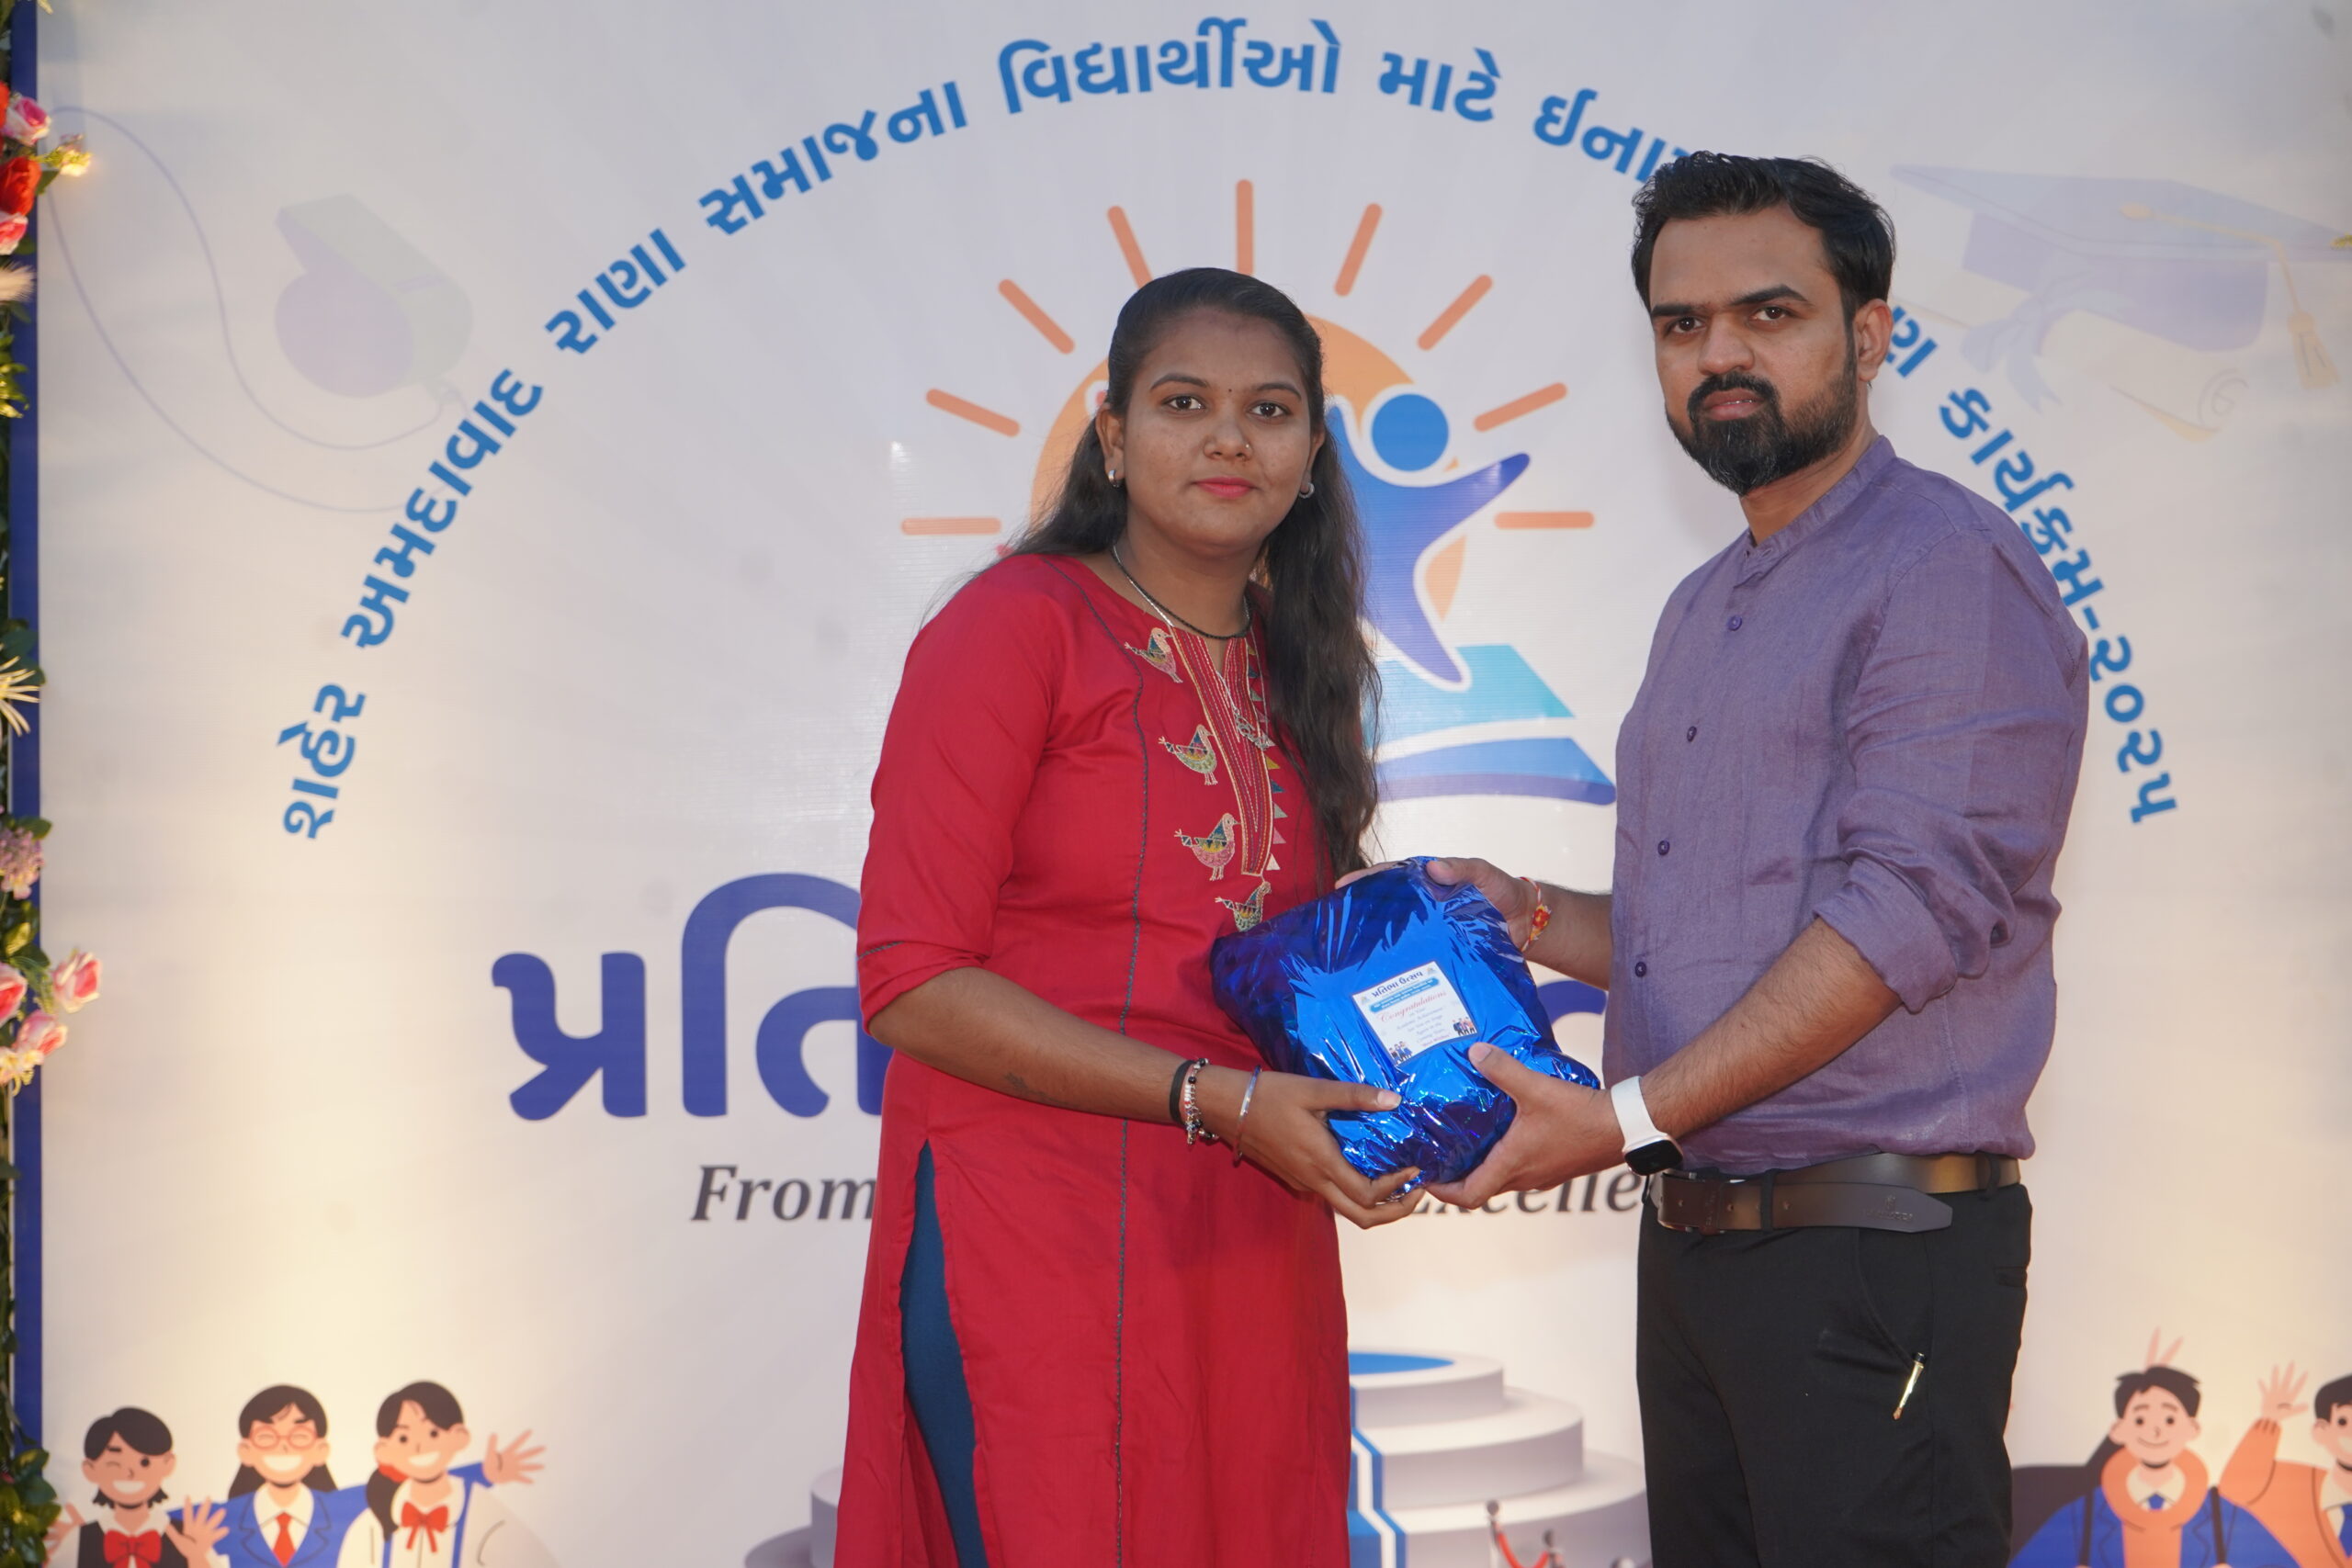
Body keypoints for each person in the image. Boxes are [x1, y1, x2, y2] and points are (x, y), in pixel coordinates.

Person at [1398, 152, 2090, 1565]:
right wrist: (1522, 913)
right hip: (1700, 1245)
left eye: (1768, 313)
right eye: (1682, 323)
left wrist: (1620, 1116)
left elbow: (1903, 911)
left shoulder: (1942, 565)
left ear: (1870, 333)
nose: (1719, 353)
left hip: (1871, 1252)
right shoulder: (1701, 601)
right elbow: (1703, 931)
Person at [837, 266, 1415, 1567]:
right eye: (1183, 403)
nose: (1229, 438)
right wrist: (1211, 1097)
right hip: (1034, 1219)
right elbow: (911, 978)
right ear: (1111, 436)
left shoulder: (1302, 664)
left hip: (1248, 1219)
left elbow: (1277, 965)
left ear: (1311, 459)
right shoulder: (1013, 627)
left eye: (1270, 410)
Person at [209, 1384, 537, 1568]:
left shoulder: (347, 1508)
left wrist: (483, 1473)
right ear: (246, 1450)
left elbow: (416, 1475)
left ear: (320, 1449)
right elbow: (182, 1519)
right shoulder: (223, 1519)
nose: (283, 1448)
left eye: (298, 1436)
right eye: (267, 1437)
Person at [2010, 1364, 2294, 1566]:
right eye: (2140, 1419)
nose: (2155, 1431)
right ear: (2118, 1429)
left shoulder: (2223, 1518)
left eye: (2169, 1419)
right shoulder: (2082, 1517)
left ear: (2192, 1428)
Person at [333, 1382, 550, 1568]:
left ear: (459, 1436)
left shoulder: (482, 1512)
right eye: (403, 1438)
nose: (419, 1447)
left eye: (433, 1433)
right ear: (383, 1450)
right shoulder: (371, 1527)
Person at [45, 1407, 223, 1567]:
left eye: (144, 1463)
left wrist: (196, 1557)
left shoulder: (187, 1539)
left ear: (168, 1464)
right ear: (90, 1469)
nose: (129, 1473)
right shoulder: (80, 1539)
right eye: (114, 1464)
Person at [2221, 1364, 2352, 1568]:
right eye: (2343, 1422)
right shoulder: (2298, 1484)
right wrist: (2269, 1422)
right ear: (2321, 1431)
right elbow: (2237, 1489)